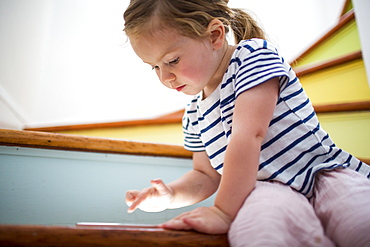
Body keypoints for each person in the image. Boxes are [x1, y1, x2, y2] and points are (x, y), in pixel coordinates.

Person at [123, 0, 370, 246]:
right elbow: (205, 175)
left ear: (214, 36)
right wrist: (171, 195)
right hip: (263, 190)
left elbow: (248, 135)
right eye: (154, 66)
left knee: (357, 220)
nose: (164, 77)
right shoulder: (194, 114)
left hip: (322, 173)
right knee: (262, 233)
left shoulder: (252, 57)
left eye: (172, 61)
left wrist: (224, 212)